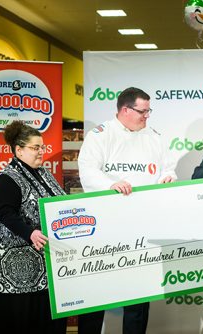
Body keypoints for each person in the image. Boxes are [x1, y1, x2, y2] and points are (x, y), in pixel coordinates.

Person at [77, 87, 177, 334]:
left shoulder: (154, 136)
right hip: (104, 227)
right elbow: (88, 171)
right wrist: (110, 185)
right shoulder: (100, 135)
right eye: (143, 111)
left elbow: (168, 167)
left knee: (138, 297)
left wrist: (168, 177)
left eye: (148, 111)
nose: (147, 116)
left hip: (142, 226)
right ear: (125, 110)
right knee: (95, 295)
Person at [0, 121, 67, 333]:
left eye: (42, 147)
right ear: (18, 150)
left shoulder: (43, 173)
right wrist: (29, 232)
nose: (40, 152)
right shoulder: (7, 179)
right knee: (15, 320)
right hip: (10, 264)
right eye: (35, 147)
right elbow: (4, 212)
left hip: (39, 262)